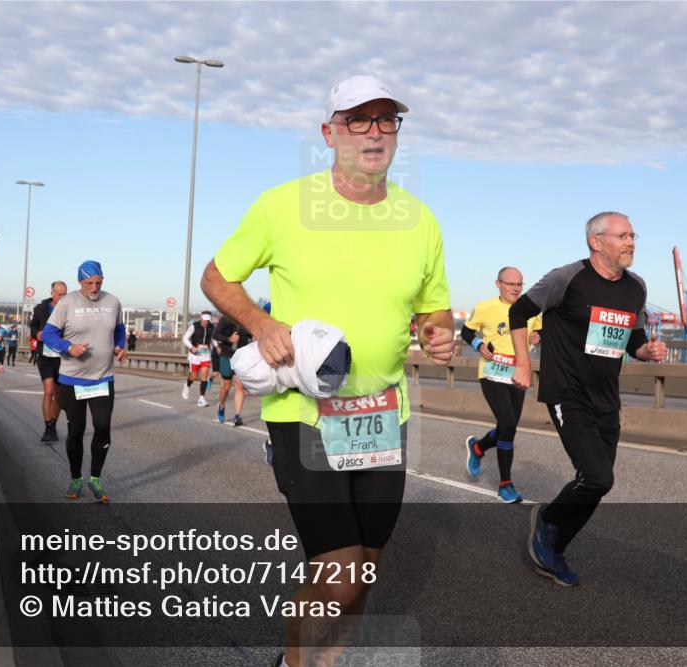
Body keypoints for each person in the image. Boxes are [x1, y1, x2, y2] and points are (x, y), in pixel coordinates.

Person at [201, 74, 452, 667]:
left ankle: (325, 662)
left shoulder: (421, 220)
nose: (373, 132)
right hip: (305, 414)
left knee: (363, 573)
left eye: (385, 119)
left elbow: (433, 308)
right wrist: (262, 327)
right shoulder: (283, 205)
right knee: (337, 574)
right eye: (357, 120)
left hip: (383, 416)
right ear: (329, 133)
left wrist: (437, 333)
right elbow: (216, 276)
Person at [509, 211, 667, 587]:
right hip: (567, 391)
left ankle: (553, 547)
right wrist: (523, 363)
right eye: (622, 236)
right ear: (596, 241)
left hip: (606, 398)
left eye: (633, 235)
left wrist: (647, 351)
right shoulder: (567, 278)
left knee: (599, 482)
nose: (631, 242)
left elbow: (633, 339)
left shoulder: (636, 287)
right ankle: (547, 523)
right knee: (596, 477)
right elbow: (519, 311)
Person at [43, 261, 126, 503]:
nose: (94, 287)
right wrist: (69, 347)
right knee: (76, 431)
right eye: (89, 283)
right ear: (80, 281)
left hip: (102, 377)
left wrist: (120, 346)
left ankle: (96, 479)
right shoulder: (67, 303)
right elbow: (49, 334)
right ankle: (76, 477)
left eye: (99, 282)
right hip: (72, 379)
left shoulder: (112, 301)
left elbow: (119, 329)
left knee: (102, 427)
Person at [461, 267, 542, 503]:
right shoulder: (485, 307)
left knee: (509, 427)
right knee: (507, 423)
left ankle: (478, 448)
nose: (516, 289)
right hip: (492, 373)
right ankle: (505, 484)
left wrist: (539, 336)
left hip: (518, 373)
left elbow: (540, 331)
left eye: (519, 284)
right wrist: (478, 344)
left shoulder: (530, 309)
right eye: (511, 284)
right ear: (498, 284)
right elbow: (467, 331)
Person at [30, 281, 68, 442]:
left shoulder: (69, 309)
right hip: (45, 355)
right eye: (59, 294)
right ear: (52, 293)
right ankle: (48, 427)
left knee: (59, 394)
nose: (62, 297)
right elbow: (32, 326)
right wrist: (36, 333)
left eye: (64, 294)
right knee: (49, 390)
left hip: (62, 357)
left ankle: (53, 424)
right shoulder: (41, 309)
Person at [211, 314, 252, 426]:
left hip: (241, 357)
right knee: (227, 386)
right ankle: (221, 405)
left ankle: (237, 416)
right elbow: (215, 335)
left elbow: (252, 334)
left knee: (239, 385)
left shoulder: (246, 321)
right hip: (227, 356)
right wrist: (229, 339)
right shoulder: (225, 319)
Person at [181, 311, 215, 407]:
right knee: (194, 376)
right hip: (195, 354)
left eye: (208, 321)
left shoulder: (211, 327)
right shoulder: (194, 326)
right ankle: (187, 385)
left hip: (205, 354)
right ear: (201, 318)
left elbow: (213, 339)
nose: (206, 322)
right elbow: (185, 338)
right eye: (205, 320)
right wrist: (191, 347)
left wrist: (217, 347)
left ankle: (201, 398)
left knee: (204, 374)